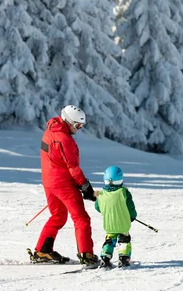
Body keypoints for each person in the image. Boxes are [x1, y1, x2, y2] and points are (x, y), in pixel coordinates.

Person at [31, 105, 100, 268]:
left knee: (58, 217)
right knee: (81, 218)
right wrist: (85, 186)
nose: (79, 128)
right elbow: (73, 167)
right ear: (68, 122)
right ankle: (86, 254)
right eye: (77, 125)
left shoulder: (50, 130)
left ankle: (43, 250)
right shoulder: (64, 139)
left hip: (50, 182)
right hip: (63, 184)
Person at [95, 165, 137, 268]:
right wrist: (132, 216)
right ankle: (123, 259)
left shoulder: (101, 194)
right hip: (123, 224)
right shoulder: (124, 192)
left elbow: (98, 207)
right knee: (124, 239)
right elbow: (130, 207)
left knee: (109, 240)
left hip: (109, 224)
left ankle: (105, 258)